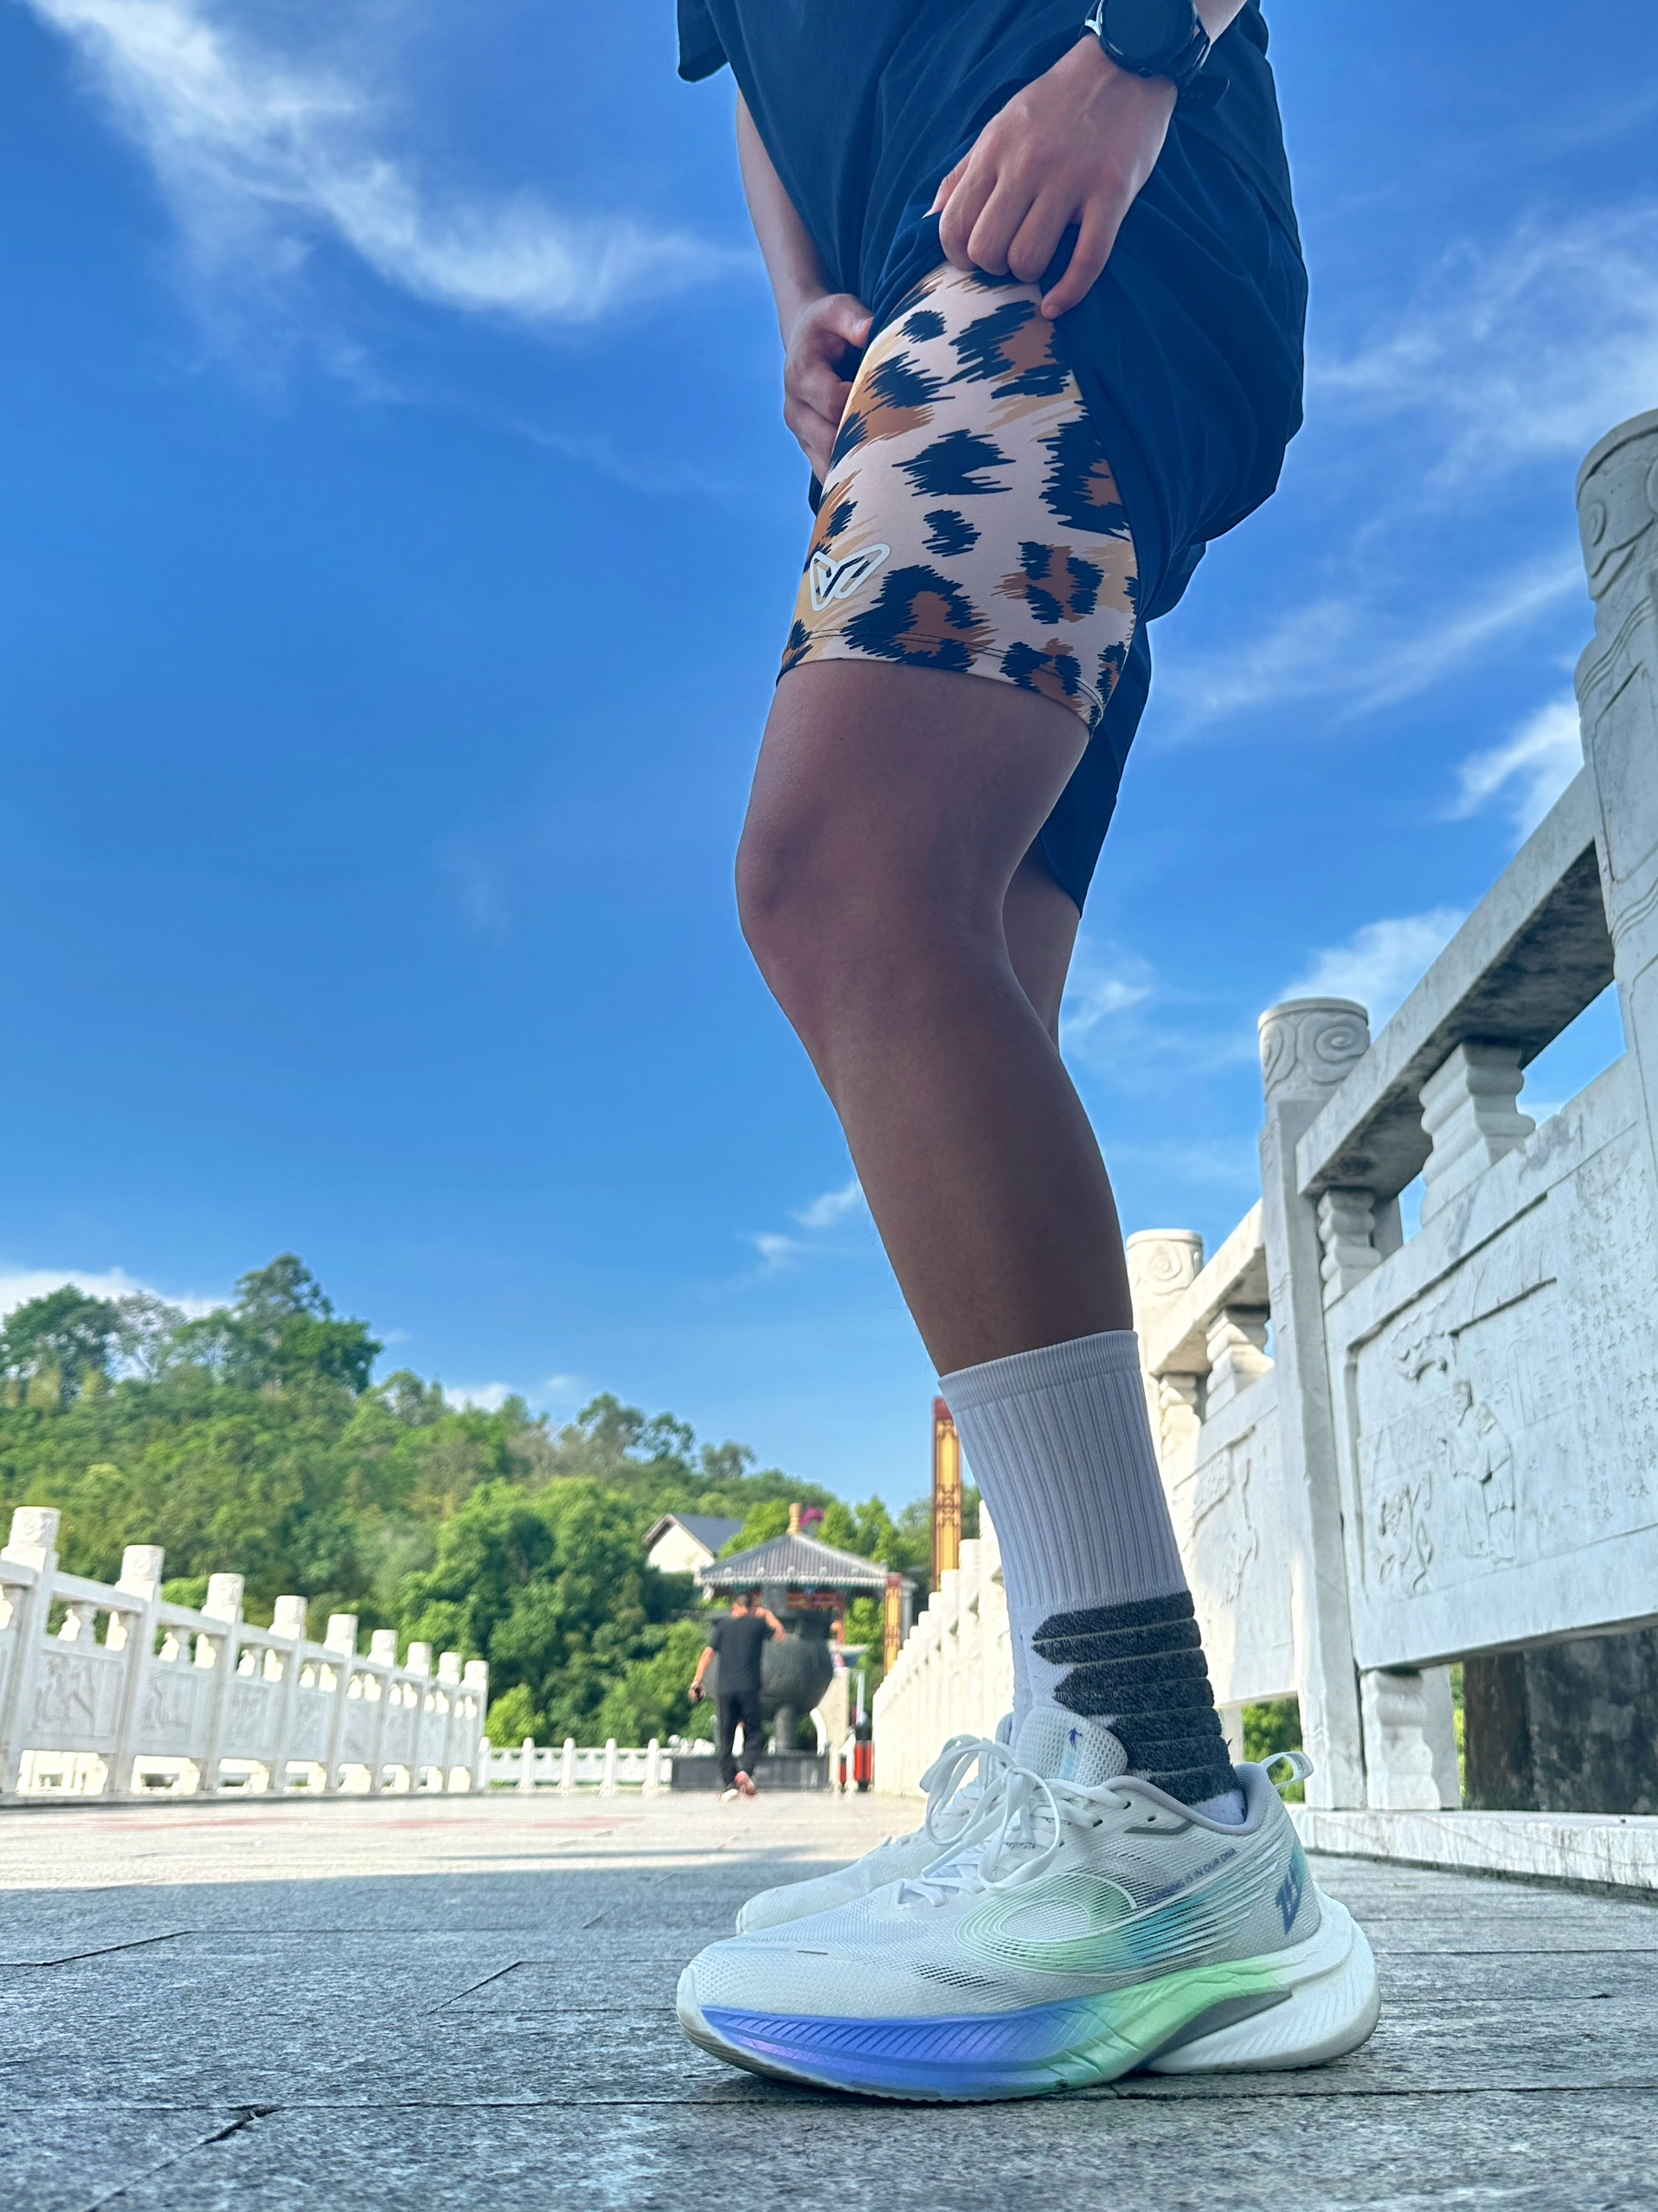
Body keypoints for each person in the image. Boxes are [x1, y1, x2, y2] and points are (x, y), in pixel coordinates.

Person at [671, 0, 1380, 2098]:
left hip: (1061, 209)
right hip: (916, 284)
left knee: (842, 881)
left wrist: (1131, 59)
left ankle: (1160, 1795)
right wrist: (795, 298)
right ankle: (1096, 1744)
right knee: (950, 957)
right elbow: (745, 70)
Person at [690, 1589, 784, 1800]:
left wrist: (697, 1681)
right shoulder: (757, 1625)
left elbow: (707, 1654)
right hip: (749, 1688)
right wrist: (767, 1615)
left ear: (735, 1607)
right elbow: (780, 1634)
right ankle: (745, 1772)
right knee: (755, 1733)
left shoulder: (722, 1627)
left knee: (725, 1737)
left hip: (725, 1690)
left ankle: (729, 1783)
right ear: (752, 1608)